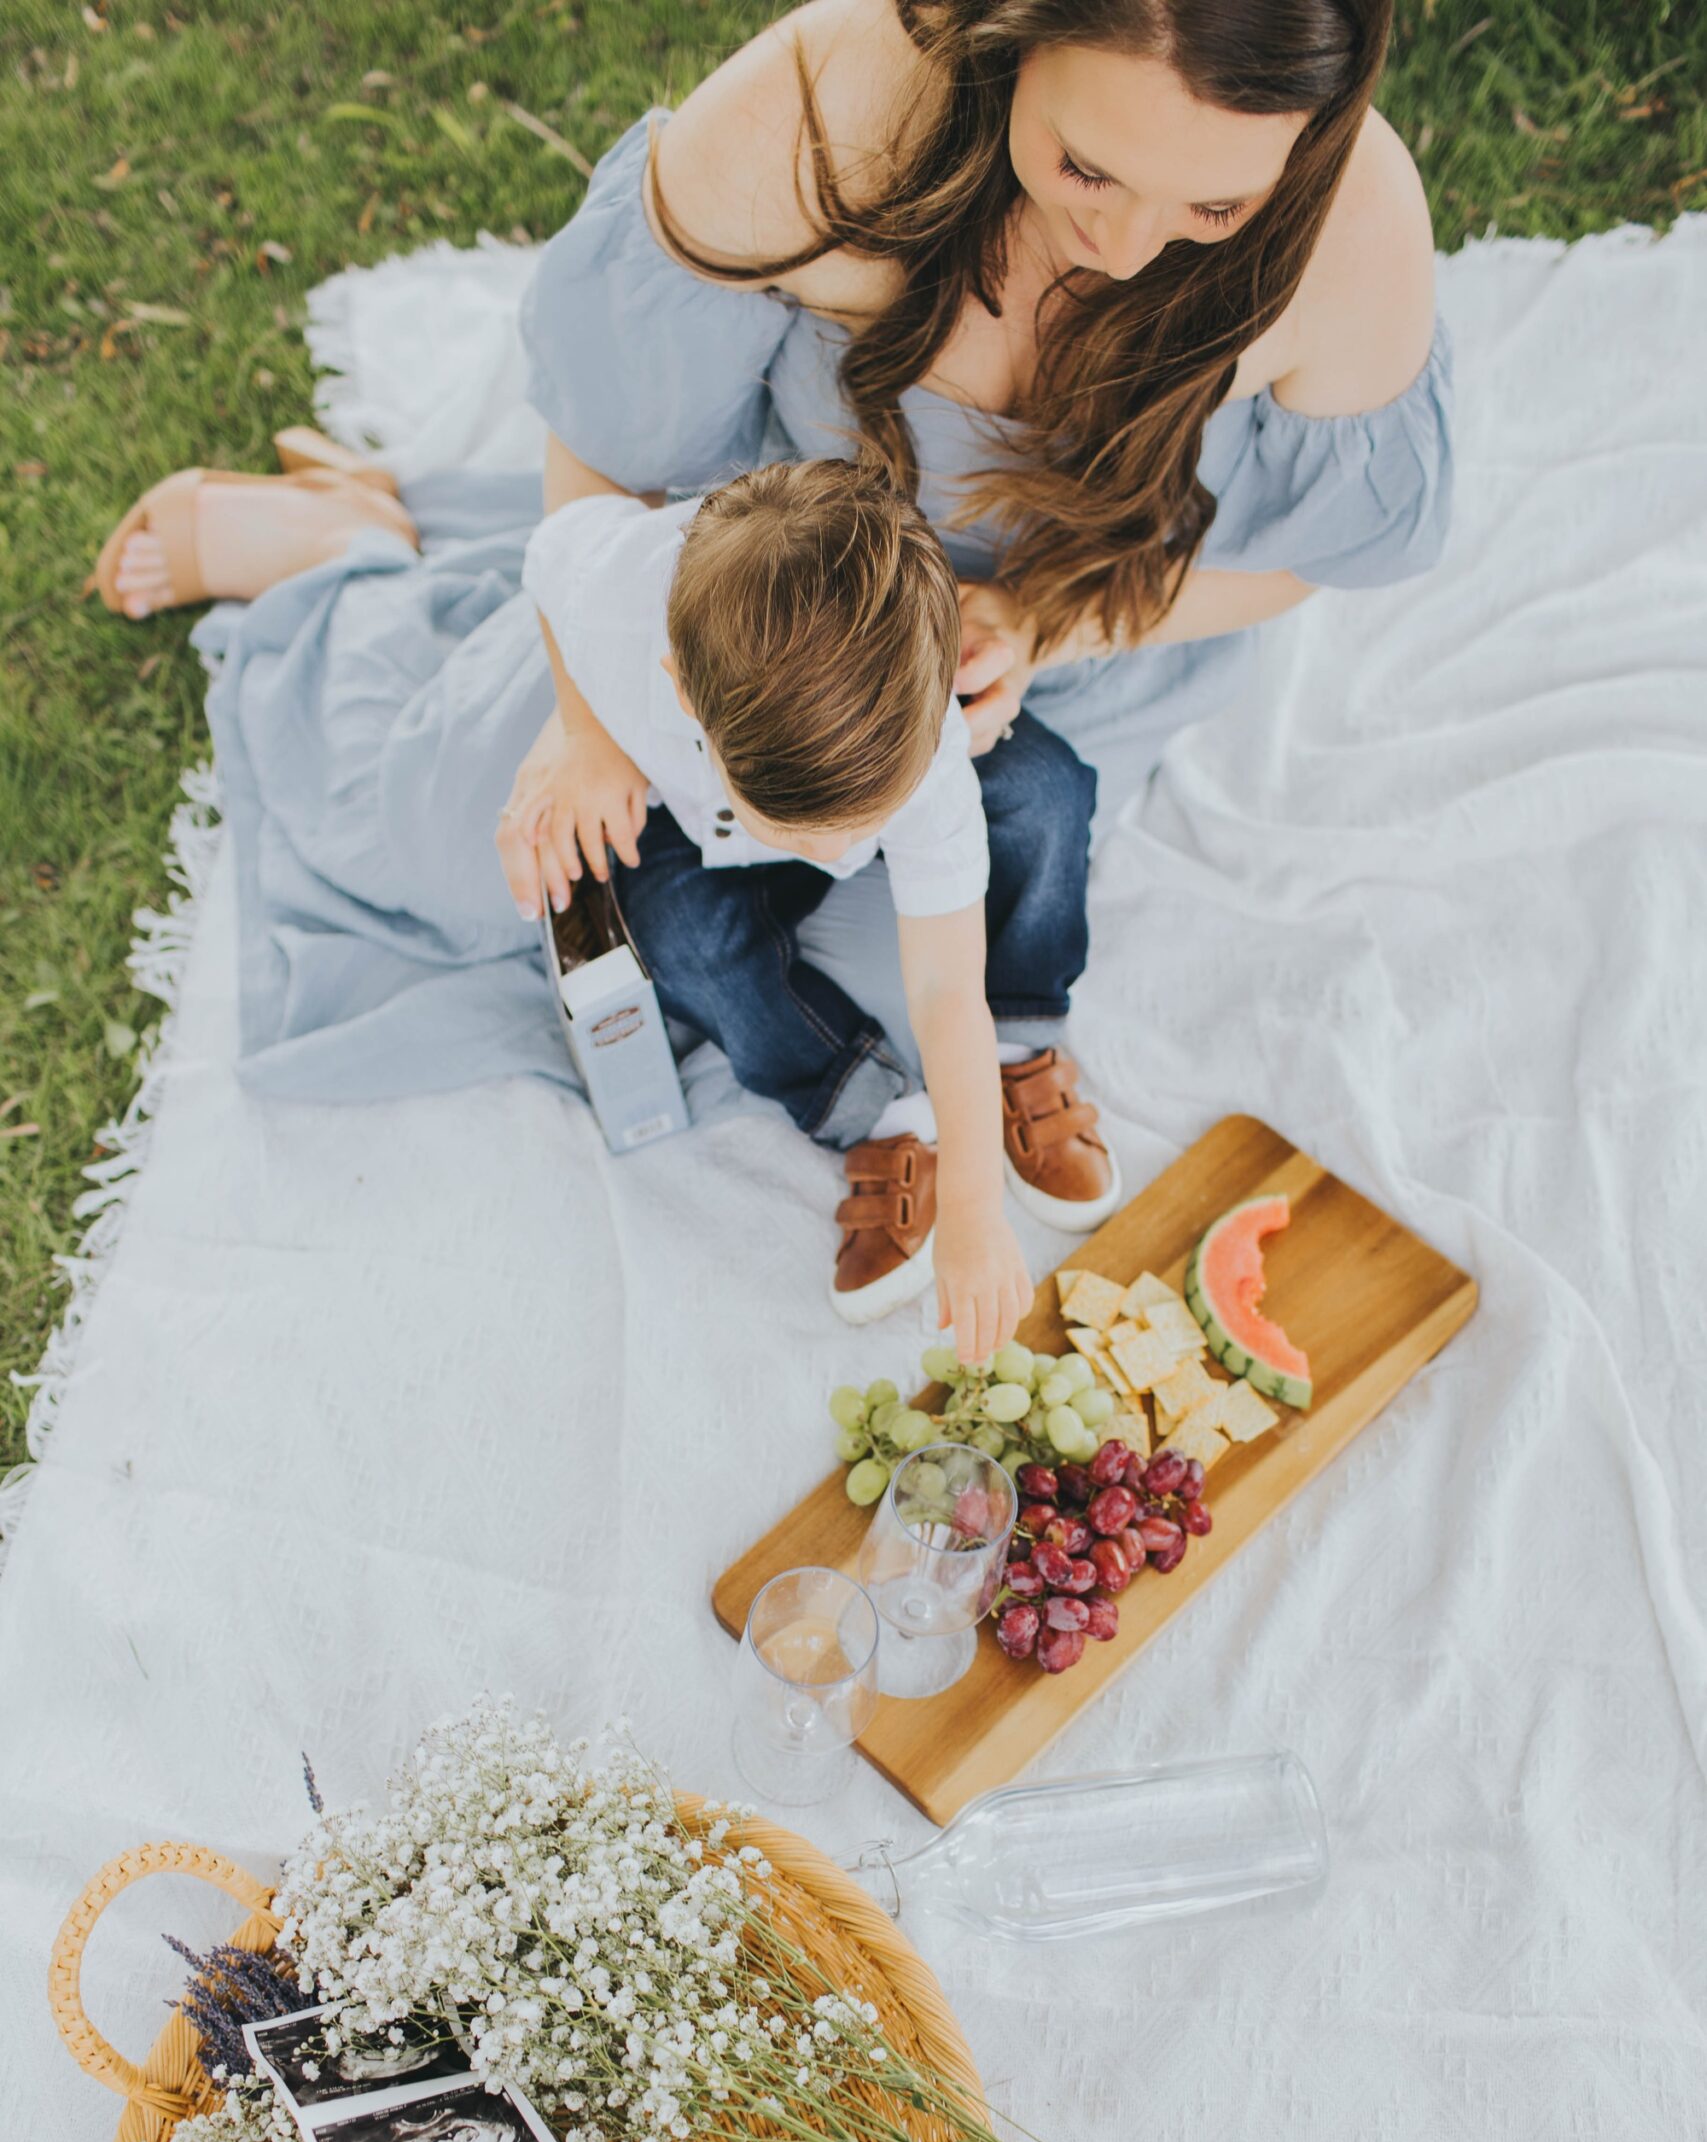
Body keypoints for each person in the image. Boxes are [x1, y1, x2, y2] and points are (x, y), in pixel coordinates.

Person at [91, 0, 1448, 1184]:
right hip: (747, 592)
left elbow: (1305, 558)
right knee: (479, 861)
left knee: (913, 976)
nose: (1133, 250)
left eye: (1216, 207)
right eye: (1084, 166)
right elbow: (604, 454)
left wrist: (1047, 619)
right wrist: (587, 725)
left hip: (1054, 637)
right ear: (1009, 29)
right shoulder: (826, 113)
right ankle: (350, 546)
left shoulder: (1351, 217)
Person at [519, 458, 1114, 1349]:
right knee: (674, 937)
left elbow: (945, 988)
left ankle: (1020, 1041)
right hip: (696, 828)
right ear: (682, 690)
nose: (843, 859)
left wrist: (974, 1209)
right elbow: (545, 563)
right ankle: (877, 1108)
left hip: (896, 767)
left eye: (864, 827)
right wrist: (585, 732)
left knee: (1047, 792)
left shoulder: (934, 749)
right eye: (809, 833)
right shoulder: (615, 584)